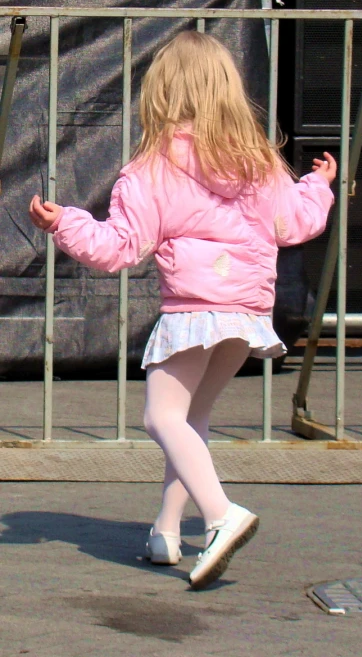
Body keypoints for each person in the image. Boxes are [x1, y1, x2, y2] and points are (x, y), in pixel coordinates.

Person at [28, 30, 336, 590]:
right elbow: (298, 224)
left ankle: (221, 515)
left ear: (161, 94)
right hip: (246, 316)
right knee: (190, 421)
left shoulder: (151, 172)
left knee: (160, 418)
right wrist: (319, 184)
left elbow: (117, 248)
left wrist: (63, 222)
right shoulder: (260, 163)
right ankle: (166, 532)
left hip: (193, 313)